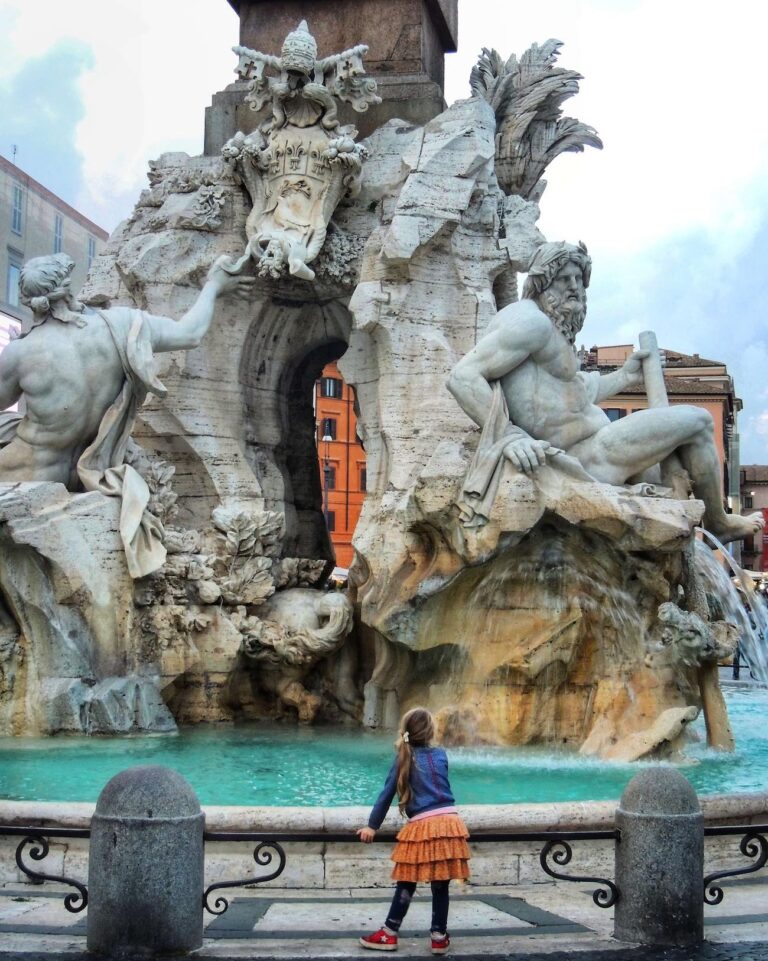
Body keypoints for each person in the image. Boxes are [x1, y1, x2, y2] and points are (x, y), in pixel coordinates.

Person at [447, 240, 765, 544]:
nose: (574, 287)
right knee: (698, 421)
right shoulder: (530, 323)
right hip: (588, 456)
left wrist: (626, 376)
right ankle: (718, 523)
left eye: (578, 280)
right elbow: (463, 377)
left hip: (603, 449)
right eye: (563, 279)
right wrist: (509, 437)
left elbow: (579, 391)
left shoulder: (551, 331)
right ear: (543, 283)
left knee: (668, 477)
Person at [0, 251, 253, 576]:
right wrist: (214, 285)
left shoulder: (20, 353)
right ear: (67, 287)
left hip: (25, 473)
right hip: (86, 475)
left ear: (27, 299)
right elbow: (189, 333)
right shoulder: (121, 326)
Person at [356, 708, 470, 955]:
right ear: (431, 732)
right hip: (450, 822)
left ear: (405, 731)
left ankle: (389, 933)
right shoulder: (441, 755)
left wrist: (371, 826)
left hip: (423, 824)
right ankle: (439, 937)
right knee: (441, 884)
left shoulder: (402, 758)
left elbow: (386, 796)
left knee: (406, 881)